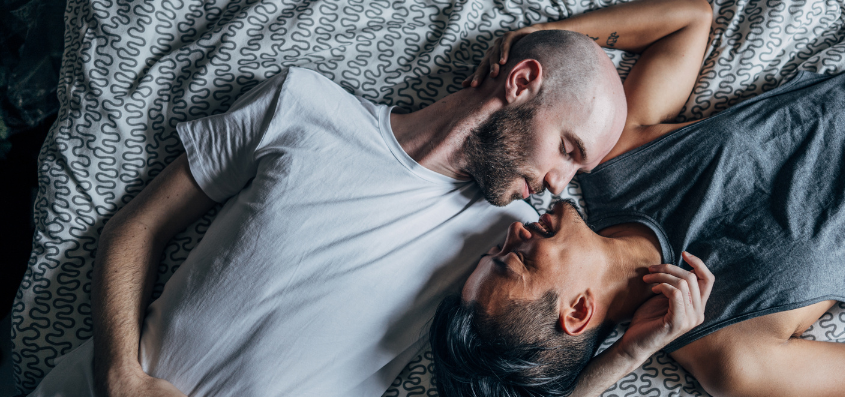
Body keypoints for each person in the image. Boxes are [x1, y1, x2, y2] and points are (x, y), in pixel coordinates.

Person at [429, 0, 845, 395]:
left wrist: (542, 36)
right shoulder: (730, 354)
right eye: (512, 262)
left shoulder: (612, 159)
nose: (510, 232)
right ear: (576, 314)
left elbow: (688, 19)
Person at [29, 27, 633, 397]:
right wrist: (121, 381)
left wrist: (632, 354)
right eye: (568, 149)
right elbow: (138, 227)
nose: (560, 184)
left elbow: (523, 380)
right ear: (522, 81)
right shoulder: (302, 107)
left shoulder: (506, 245)